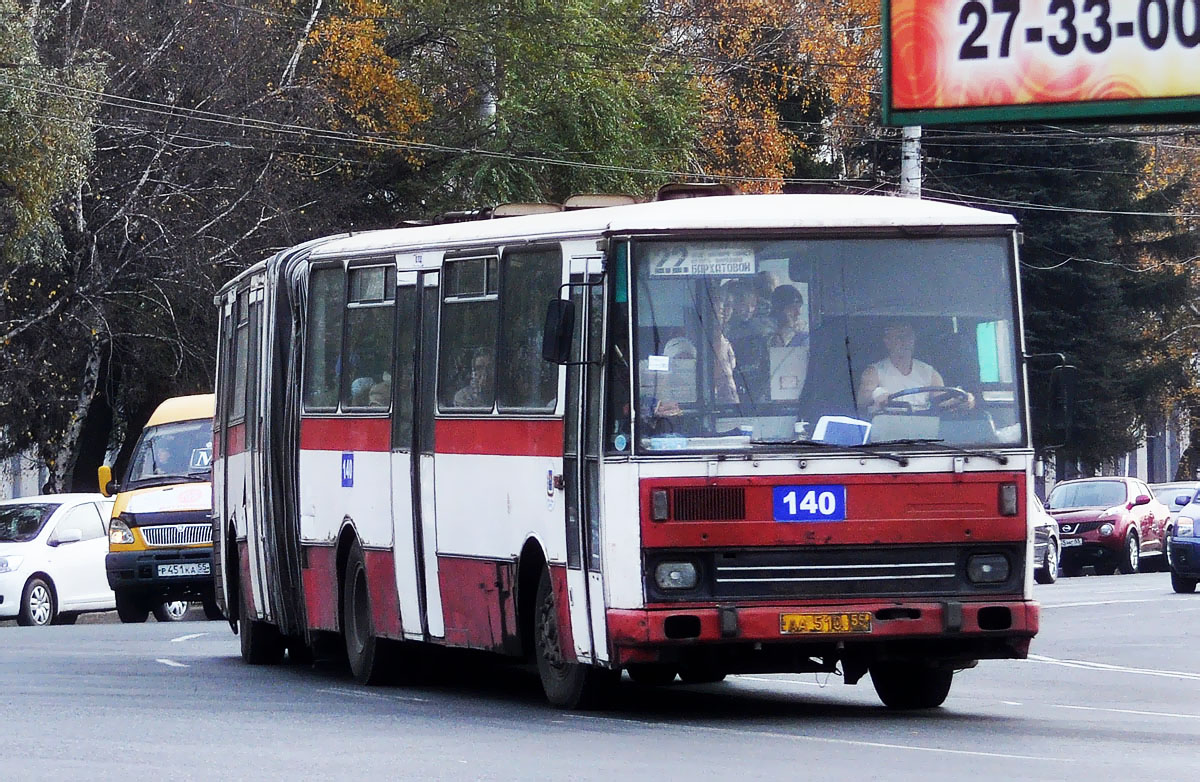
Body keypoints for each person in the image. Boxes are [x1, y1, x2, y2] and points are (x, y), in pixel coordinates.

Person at [856, 321, 974, 413]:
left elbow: (942, 402)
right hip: (886, 434)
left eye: (908, 337)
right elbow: (861, 403)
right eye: (899, 337)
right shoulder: (874, 372)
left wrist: (961, 401)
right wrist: (876, 394)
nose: (904, 342)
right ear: (887, 341)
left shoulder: (929, 372)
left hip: (923, 431)